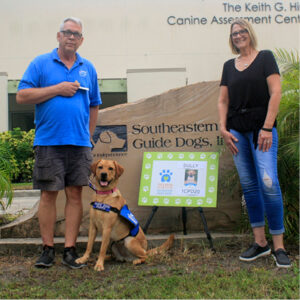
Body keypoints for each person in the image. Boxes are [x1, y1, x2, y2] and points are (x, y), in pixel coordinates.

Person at [16, 17, 101, 269]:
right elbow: (21, 95)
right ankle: (47, 249)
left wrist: (88, 136)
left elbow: (94, 104)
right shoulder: (40, 63)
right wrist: (57, 88)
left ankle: (70, 250)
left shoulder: (89, 68)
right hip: (48, 141)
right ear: (58, 36)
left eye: (76, 34)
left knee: (75, 195)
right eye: (67, 32)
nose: (71, 37)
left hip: (79, 144)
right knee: (48, 195)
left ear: (81, 39)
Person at [218, 19, 291, 268]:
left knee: (269, 183)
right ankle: (260, 243)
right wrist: (222, 128)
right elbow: (223, 101)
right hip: (237, 131)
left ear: (250, 33)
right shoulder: (229, 66)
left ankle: (279, 246)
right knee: (249, 187)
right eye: (234, 33)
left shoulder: (266, 58)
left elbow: (276, 92)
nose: (238, 36)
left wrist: (268, 127)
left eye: (242, 31)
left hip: (262, 130)